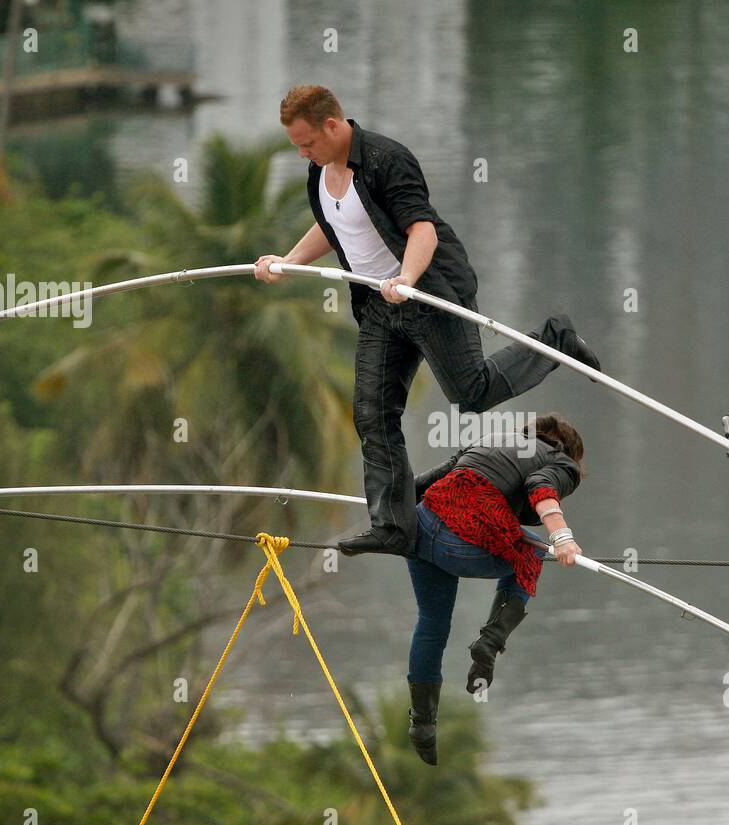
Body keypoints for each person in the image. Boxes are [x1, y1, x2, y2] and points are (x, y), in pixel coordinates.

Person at [254, 85, 600, 559]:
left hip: (429, 291)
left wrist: (406, 277)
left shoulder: (385, 159)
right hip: (378, 306)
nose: (301, 152)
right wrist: (288, 260)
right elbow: (335, 227)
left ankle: (555, 341)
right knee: (373, 413)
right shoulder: (318, 173)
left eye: (306, 142)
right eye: (296, 145)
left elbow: (422, 228)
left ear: (332, 125)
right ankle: (394, 525)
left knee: (470, 392)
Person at [401, 413, 585, 765]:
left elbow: (424, 484)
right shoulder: (560, 461)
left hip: (421, 530)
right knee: (532, 549)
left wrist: (384, 517)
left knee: (432, 622)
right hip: (459, 543)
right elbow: (542, 488)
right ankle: (490, 640)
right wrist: (561, 538)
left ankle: (422, 725)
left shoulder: (493, 440)